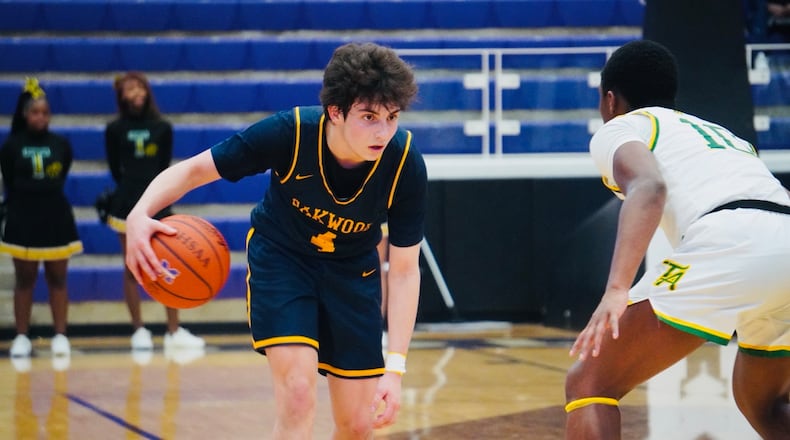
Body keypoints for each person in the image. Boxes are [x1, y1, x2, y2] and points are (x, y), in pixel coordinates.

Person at [124, 42, 426, 437]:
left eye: (391, 117)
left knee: (357, 425)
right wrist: (138, 214)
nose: (383, 131)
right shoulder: (290, 133)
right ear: (335, 111)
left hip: (353, 272)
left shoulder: (404, 163)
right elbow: (196, 170)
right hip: (284, 260)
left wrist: (396, 367)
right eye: (369, 116)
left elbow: (404, 271)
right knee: (299, 395)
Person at [564, 40, 790, 440]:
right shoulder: (720, 133)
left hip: (733, 239)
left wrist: (617, 289)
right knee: (764, 402)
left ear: (610, 101)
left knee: (590, 381)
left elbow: (649, 188)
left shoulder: (622, 126)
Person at [104, 72, 204, 351]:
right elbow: (115, 169)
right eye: (129, 89)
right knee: (131, 268)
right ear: (121, 96)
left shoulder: (162, 127)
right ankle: (139, 331)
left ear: (147, 92)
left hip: (158, 202)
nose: (135, 93)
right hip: (126, 203)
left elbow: (163, 167)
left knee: (169, 265)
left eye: (139, 88)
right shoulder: (114, 129)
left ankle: (174, 330)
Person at [0, 78, 83, 358]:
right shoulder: (11, 145)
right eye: (35, 112)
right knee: (25, 279)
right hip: (23, 215)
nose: (41, 117)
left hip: (55, 215)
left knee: (58, 278)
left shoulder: (61, 144)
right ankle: (22, 336)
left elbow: (62, 174)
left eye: (45, 113)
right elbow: (10, 179)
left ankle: (61, 335)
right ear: (25, 115)